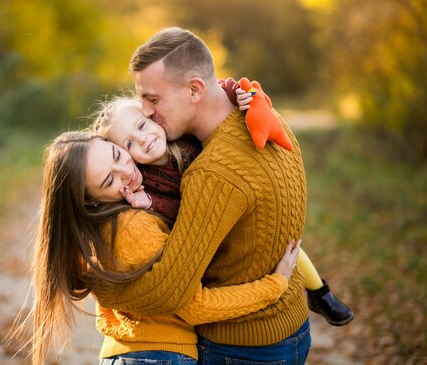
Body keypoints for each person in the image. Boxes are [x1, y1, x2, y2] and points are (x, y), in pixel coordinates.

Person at [90, 27, 314, 365]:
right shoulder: (264, 116)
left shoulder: (211, 173)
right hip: (291, 326)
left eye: (153, 99)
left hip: (240, 347)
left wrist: (100, 286)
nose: (146, 112)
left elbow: (171, 292)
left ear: (195, 89)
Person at [28, 131, 302, 365]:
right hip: (160, 355)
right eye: (109, 181)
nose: (127, 172)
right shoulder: (132, 227)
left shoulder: (96, 228)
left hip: (129, 353)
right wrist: (274, 286)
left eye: (117, 154)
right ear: (91, 201)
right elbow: (194, 306)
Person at [91, 92, 354, 327]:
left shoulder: (184, 136)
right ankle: (258, 297)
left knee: (285, 242)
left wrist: (235, 91)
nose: (143, 139)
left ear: (152, 117)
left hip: (233, 206)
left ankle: (320, 292)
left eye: (141, 126)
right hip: (203, 229)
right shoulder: (145, 182)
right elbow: (176, 214)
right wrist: (149, 203)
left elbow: (205, 94)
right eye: (128, 144)